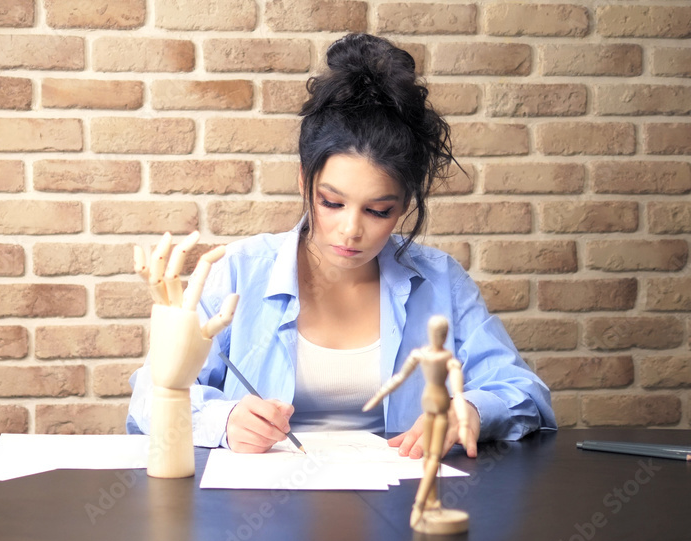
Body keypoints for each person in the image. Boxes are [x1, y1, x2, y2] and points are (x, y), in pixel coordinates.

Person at [127, 33, 556, 458]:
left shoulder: (439, 281)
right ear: (303, 181)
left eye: (378, 211)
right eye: (331, 202)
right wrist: (222, 420)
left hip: (400, 505)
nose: (350, 230)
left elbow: (523, 393)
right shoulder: (241, 271)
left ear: (404, 204)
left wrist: (471, 411)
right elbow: (151, 395)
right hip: (260, 507)